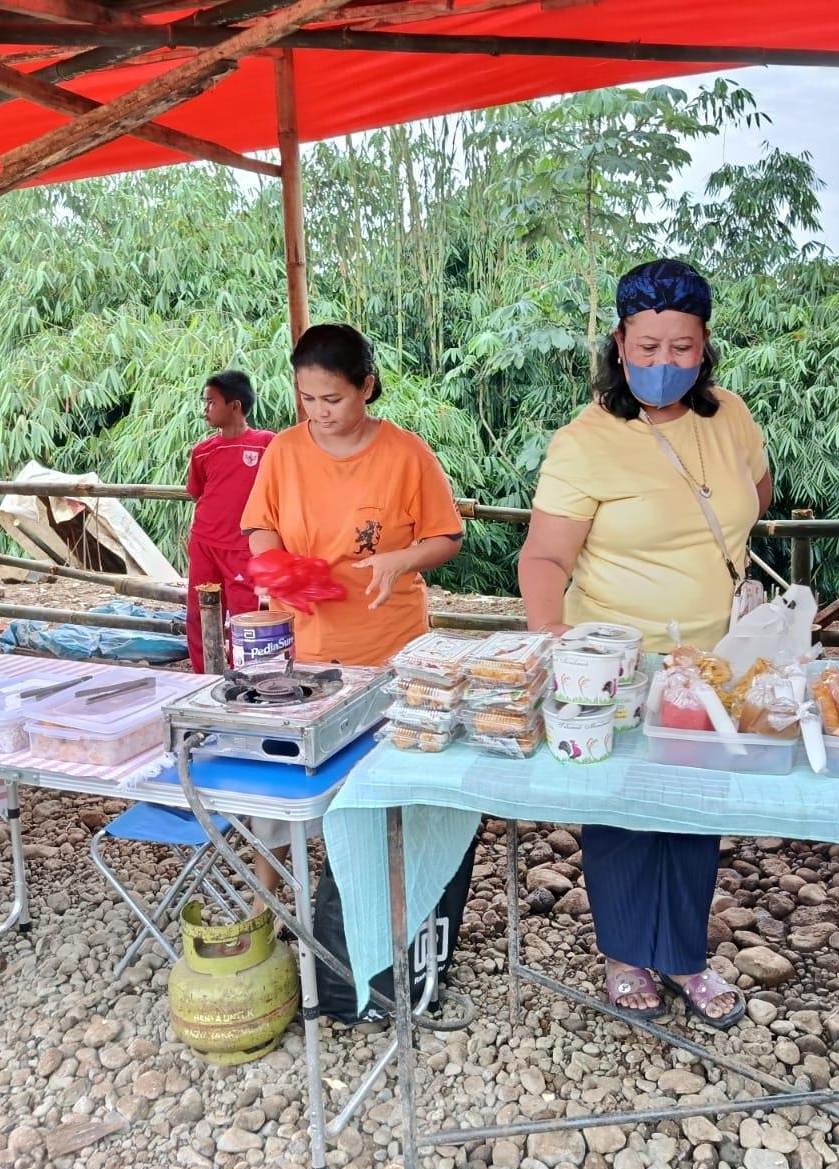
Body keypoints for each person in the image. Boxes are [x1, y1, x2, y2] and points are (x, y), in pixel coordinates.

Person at [519, 259, 773, 1029]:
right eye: (648, 347)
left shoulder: (730, 415)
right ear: (619, 343)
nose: (663, 365)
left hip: (712, 659)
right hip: (620, 664)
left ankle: (688, 956)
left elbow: (756, 493)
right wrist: (552, 644)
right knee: (626, 812)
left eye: (682, 349)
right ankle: (627, 953)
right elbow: (543, 558)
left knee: (694, 814)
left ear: (705, 349)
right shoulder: (585, 441)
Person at [242, 323, 464, 667]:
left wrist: (401, 560)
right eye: (308, 398)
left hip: (388, 643)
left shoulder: (407, 454)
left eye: (333, 399)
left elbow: (447, 537)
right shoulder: (283, 450)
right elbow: (261, 526)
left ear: (367, 386)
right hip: (304, 641)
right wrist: (277, 566)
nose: (319, 412)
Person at [185, 369, 274, 673]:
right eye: (205, 402)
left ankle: (246, 677)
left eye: (211, 402)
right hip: (205, 543)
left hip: (244, 548)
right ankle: (202, 675)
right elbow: (198, 493)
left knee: (245, 615)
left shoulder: (268, 445)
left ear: (235, 406)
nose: (205, 409)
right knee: (198, 612)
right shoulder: (202, 452)